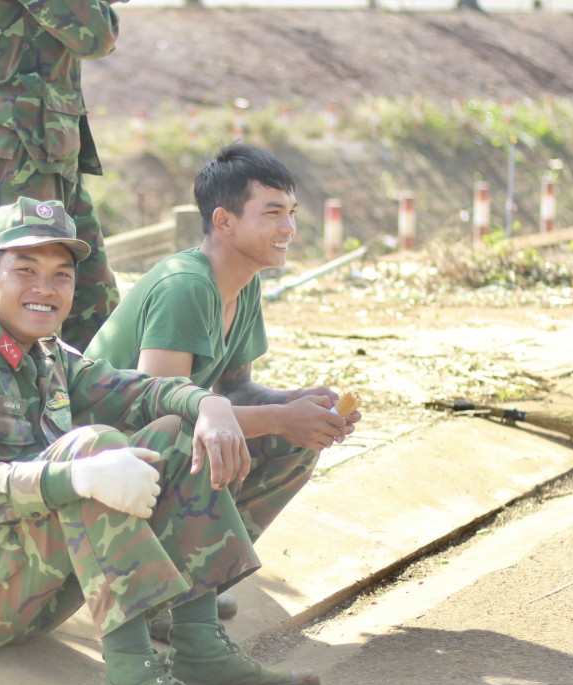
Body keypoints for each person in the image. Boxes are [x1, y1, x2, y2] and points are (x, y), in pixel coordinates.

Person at [0, 197, 320, 685]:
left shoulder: (45, 352)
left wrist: (206, 405)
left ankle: (200, 647)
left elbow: (135, 391)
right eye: (26, 271)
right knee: (93, 450)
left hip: (8, 574)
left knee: (173, 435)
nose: (46, 288)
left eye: (60, 275)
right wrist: (80, 476)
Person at [85, 143, 364, 630]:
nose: (289, 229)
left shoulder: (243, 282)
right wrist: (281, 417)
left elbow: (235, 392)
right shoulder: (185, 286)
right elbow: (158, 415)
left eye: (292, 213)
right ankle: (146, 592)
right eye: (273, 213)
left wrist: (299, 404)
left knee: (295, 441)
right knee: (195, 437)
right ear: (224, 220)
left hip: (151, 449)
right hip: (101, 464)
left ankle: (193, 582)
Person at [0, 0, 121, 350]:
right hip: (16, 146)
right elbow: (93, 34)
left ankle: (88, 401)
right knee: (19, 306)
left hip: (47, 144)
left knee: (92, 307)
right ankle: (3, 402)